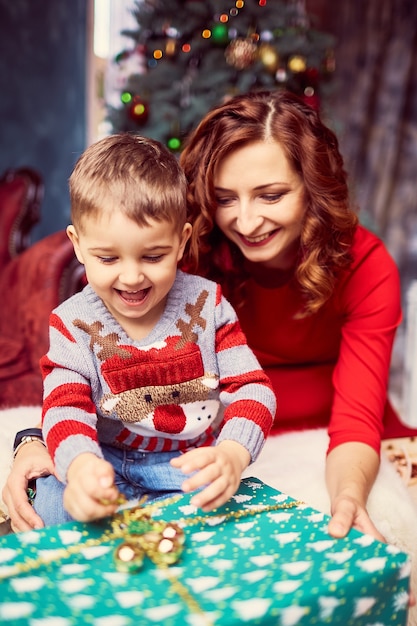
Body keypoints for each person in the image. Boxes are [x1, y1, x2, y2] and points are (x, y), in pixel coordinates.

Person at [0, 90, 405, 537]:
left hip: (282, 437)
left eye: (270, 196)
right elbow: (88, 378)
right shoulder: (179, 256)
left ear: (312, 189)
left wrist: (347, 498)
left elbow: (350, 419)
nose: (247, 223)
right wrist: (38, 444)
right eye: (226, 198)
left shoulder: (360, 266)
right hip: (171, 436)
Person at [21, 132, 275, 526]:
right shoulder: (71, 322)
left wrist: (232, 454)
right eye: (107, 257)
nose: (132, 275)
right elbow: (66, 406)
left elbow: (254, 390)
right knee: (55, 504)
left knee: (227, 511)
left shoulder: (209, 305)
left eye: (153, 255)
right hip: (104, 461)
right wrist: (81, 465)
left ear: (181, 242)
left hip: (184, 462)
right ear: (78, 245)